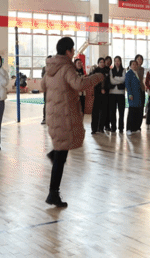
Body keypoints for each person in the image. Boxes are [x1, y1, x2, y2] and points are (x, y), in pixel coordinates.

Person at [43, 37, 104, 209]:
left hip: (54, 115)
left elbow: (43, 85)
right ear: (68, 51)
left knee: (61, 150)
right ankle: (53, 193)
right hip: (64, 116)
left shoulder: (50, 68)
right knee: (61, 156)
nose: (73, 52)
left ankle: (53, 157)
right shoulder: (66, 67)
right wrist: (96, 77)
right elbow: (78, 84)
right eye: (72, 49)